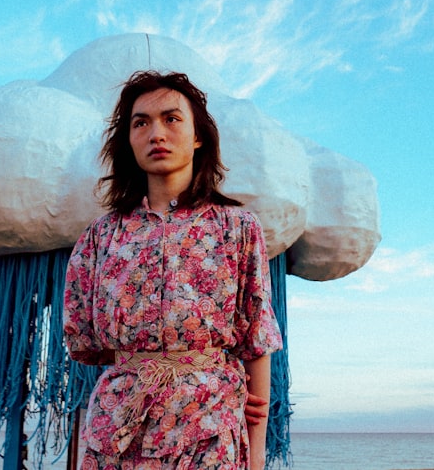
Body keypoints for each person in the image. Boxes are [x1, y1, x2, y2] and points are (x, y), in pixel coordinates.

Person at [63, 70, 283, 470]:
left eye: (172, 118)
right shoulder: (100, 238)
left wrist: (256, 454)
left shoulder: (238, 228)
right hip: (117, 429)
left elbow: (256, 337)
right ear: (128, 141)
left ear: (198, 135)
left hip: (210, 427)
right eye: (141, 123)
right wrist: (152, 361)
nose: (156, 133)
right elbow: (84, 341)